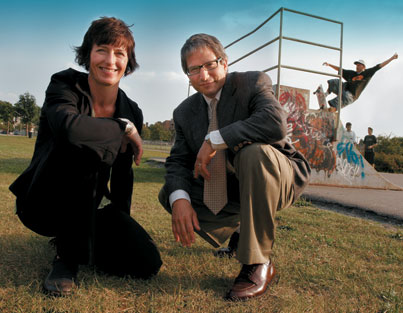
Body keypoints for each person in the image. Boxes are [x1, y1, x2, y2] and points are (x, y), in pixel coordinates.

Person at [9, 17, 162, 296]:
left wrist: (121, 222)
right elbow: (69, 129)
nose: (110, 61)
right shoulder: (64, 85)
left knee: (146, 264)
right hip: (44, 201)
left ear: (128, 61)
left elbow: (123, 172)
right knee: (82, 148)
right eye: (102, 49)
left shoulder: (132, 109)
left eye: (120, 53)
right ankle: (66, 257)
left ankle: (83, 242)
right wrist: (122, 127)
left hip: (90, 206)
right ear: (88, 54)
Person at [158, 33, 310, 301]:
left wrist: (215, 139)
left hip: (278, 176)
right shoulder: (184, 112)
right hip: (234, 188)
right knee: (171, 193)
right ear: (188, 76)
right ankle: (239, 233)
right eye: (194, 70)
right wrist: (180, 199)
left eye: (209, 65)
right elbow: (178, 161)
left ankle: (258, 261)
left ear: (224, 63)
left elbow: (275, 123)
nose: (204, 76)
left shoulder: (251, 83)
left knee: (253, 154)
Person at [315, 53, 398, 111]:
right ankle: (326, 94)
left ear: (363, 67)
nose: (357, 67)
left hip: (351, 96)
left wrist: (392, 58)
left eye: (359, 65)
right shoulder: (351, 73)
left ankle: (332, 109)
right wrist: (329, 65)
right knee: (335, 81)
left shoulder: (367, 73)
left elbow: (379, 66)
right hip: (344, 89)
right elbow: (340, 69)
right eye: (356, 65)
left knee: (343, 98)